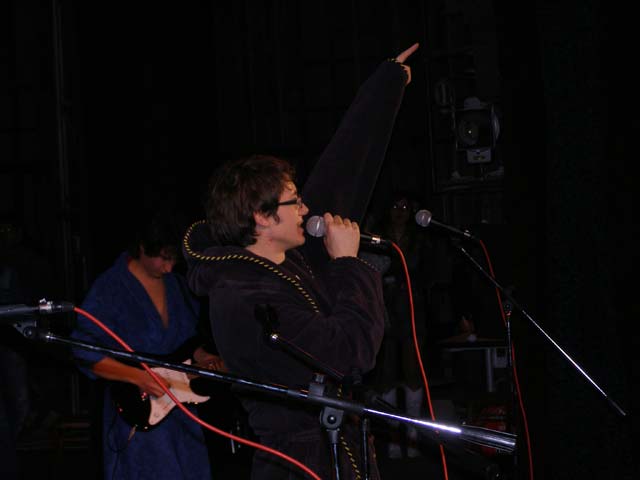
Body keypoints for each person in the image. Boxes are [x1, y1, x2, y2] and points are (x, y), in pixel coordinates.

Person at [183, 44, 418, 479]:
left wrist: (386, 86)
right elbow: (349, 354)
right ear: (262, 217)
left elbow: (343, 170)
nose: (306, 209)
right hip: (298, 466)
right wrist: (348, 264)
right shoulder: (242, 295)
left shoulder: (283, 261)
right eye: (295, 201)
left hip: (334, 452)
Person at [71, 207, 223, 479]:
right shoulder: (110, 288)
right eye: (163, 258)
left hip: (182, 410)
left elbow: (186, 342)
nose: (169, 267)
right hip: (138, 413)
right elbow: (84, 351)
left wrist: (202, 357)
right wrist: (137, 377)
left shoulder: (176, 285)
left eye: (173, 259)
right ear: (142, 248)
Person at [365, 191, 431, 459]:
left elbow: (428, 272)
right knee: (387, 372)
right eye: (395, 206)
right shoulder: (377, 236)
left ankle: (413, 435)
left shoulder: (420, 238)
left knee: (412, 368)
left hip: (413, 307)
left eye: (404, 207)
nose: (400, 211)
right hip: (385, 309)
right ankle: (393, 437)